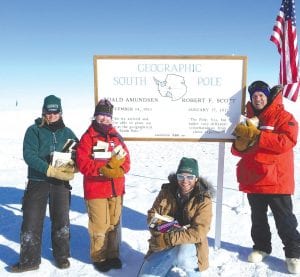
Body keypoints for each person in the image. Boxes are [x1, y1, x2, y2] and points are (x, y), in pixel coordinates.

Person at [231, 80, 300, 274]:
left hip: (276, 180)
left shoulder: (283, 116)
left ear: (267, 96)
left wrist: (258, 136)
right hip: (253, 178)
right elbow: (237, 150)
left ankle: (294, 254)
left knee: (284, 220)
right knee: (258, 218)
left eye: (261, 95)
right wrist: (240, 142)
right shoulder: (247, 118)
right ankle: (261, 247)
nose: (258, 98)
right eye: (254, 96)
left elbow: (287, 141)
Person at [11, 95, 78, 273]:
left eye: (55, 111)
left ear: (61, 112)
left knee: (61, 220)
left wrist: (75, 168)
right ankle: (29, 260)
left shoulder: (68, 133)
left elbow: (77, 153)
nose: (52, 115)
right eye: (48, 111)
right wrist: (48, 170)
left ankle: (62, 256)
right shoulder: (34, 131)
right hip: (38, 181)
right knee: (31, 221)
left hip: (60, 184)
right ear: (43, 112)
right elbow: (29, 155)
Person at [76, 98, 130, 273]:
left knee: (114, 224)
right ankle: (99, 257)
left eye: (108, 117)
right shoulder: (88, 137)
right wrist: (103, 170)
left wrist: (116, 168)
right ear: (95, 117)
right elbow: (83, 164)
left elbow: (127, 163)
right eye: (101, 116)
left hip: (116, 189)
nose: (105, 119)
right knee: (100, 225)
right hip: (96, 190)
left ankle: (112, 255)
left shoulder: (116, 136)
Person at [138, 157, 214, 277]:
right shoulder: (166, 192)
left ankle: (192, 273)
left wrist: (170, 238)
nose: (185, 181)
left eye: (190, 177)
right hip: (164, 240)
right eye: (181, 176)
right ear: (176, 177)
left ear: (196, 179)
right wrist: (159, 231)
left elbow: (199, 233)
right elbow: (152, 215)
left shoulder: (203, 199)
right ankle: (168, 267)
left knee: (183, 256)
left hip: (189, 244)